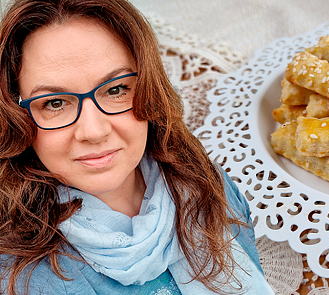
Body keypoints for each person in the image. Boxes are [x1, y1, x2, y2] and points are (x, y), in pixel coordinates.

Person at [0, 0, 274, 294]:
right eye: (54, 103)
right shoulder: (23, 277)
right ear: (16, 117)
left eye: (116, 89)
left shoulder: (204, 182)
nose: (94, 131)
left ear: (148, 88)